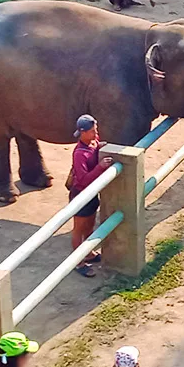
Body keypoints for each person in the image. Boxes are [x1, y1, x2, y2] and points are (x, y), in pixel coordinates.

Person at [69, 114, 114, 277]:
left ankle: (88, 253)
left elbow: (96, 148)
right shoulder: (79, 153)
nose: (96, 134)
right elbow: (83, 179)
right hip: (81, 195)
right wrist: (101, 167)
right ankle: (77, 262)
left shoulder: (94, 142)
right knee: (78, 230)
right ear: (83, 133)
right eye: (93, 131)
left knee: (89, 226)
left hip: (92, 194)